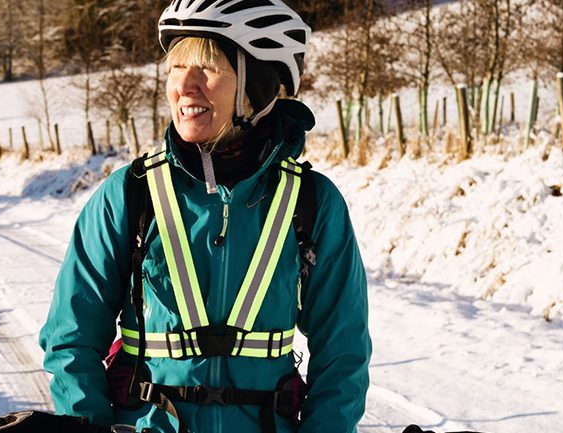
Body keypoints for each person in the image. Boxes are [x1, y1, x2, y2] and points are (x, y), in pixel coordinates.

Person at [39, 0, 370, 432]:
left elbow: (343, 354)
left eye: (208, 69)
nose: (185, 86)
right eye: (176, 68)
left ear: (258, 87)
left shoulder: (311, 201)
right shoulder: (129, 194)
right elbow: (72, 340)